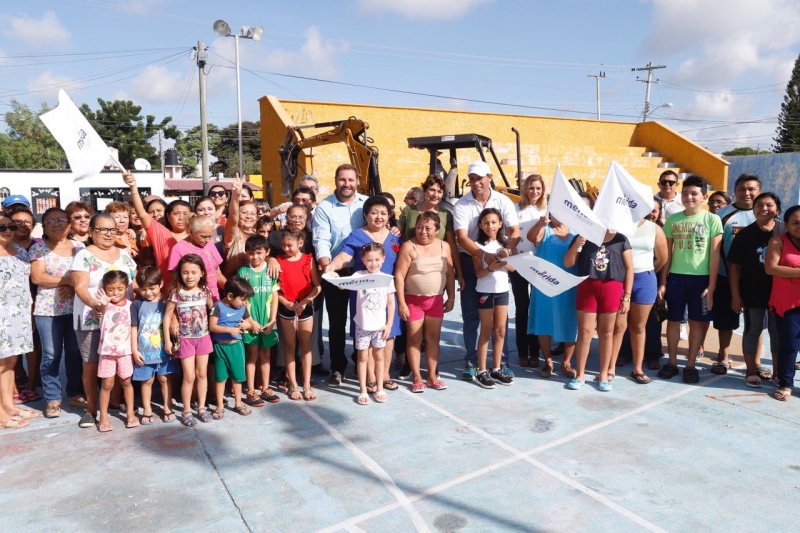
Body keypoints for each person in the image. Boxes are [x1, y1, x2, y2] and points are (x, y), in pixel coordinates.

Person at [326, 195, 402, 390]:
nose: (379, 217)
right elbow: (343, 256)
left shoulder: (395, 237)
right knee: (367, 336)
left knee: (389, 333)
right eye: (374, 213)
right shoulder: (357, 235)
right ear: (366, 215)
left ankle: (384, 376)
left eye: (383, 213)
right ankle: (369, 378)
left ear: (389, 215)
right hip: (364, 296)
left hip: (388, 294)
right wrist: (332, 267)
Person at [453, 161, 520, 380]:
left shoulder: (504, 201)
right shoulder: (462, 204)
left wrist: (506, 251)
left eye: (480, 177)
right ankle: (472, 363)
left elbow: (514, 230)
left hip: (496, 261)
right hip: (472, 261)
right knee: (472, 315)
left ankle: (501, 363)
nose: (476, 182)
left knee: (500, 323)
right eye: (472, 178)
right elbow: (462, 238)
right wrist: (484, 256)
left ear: (489, 177)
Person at [71, 213, 137, 429]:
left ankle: (116, 402)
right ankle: (91, 409)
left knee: (120, 363)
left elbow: (134, 286)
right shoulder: (83, 256)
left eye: (112, 229)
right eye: (102, 229)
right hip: (92, 318)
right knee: (91, 364)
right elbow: (80, 287)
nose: (108, 234)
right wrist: (97, 307)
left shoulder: (125, 255)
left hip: (121, 323)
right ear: (91, 232)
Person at [658, 175, 723, 384]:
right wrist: (663, 281)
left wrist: (711, 286)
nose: (689, 197)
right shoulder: (673, 220)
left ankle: (691, 364)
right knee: (674, 321)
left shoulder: (713, 220)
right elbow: (667, 255)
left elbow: (715, 256)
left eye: (694, 193)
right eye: (685, 193)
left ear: (704, 197)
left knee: (696, 323)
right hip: (676, 278)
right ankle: (672, 362)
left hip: (701, 280)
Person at [314, 164, 367, 386]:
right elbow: (321, 240)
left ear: (358, 181)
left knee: (363, 321)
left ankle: (362, 361)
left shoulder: (366, 204)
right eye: (342, 180)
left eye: (351, 180)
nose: (347, 184)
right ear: (336, 180)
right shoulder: (324, 207)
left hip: (362, 271)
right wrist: (328, 269)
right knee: (337, 323)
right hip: (334, 272)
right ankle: (338, 367)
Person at [30, 208, 85, 418]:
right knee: (51, 355)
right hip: (47, 310)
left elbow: (85, 275)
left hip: (76, 308)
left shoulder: (80, 247)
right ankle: (53, 398)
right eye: (50, 221)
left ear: (69, 224)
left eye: (61, 220)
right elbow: (38, 277)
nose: (56, 224)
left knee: (74, 353)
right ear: (43, 227)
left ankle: (74, 392)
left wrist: (74, 284)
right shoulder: (39, 249)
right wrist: (68, 280)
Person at [564, 227, 634, 391]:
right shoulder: (583, 235)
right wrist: (576, 246)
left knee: (607, 332)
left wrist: (627, 296)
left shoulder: (621, 239)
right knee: (585, 332)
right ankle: (580, 374)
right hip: (587, 286)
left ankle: (603, 375)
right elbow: (567, 262)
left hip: (612, 287)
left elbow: (629, 268)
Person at [395, 212, 456, 392]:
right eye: (420, 227)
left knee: (433, 339)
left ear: (437, 230)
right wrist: (401, 303)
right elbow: (399, 276)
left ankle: (431, 375)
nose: (423, 231)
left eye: (428, 228)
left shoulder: (445, 246)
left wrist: (451, 297)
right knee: (414, 339)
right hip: (413, 301)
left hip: (436, 301)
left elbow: (450, 274)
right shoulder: (408, 246)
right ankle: (416, 376)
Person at [728, 192, 785, 387]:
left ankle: (778, 373)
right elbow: (734, 266)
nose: (763, 208)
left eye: (769, 205)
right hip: (753, 292)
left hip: (780, 293)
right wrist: (736, 295)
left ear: (777, 209)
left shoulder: (785, 231)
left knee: (778, 333)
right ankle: (751, 371)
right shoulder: (745, 234)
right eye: (759, 205)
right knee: (753, 330)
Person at [610, 208, 668, 383]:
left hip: (644, 280)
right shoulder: (616, 227)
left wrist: (646, 274)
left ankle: (637, 369)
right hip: (619, 280)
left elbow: (662, 258)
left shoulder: (654, 228)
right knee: (619, 326)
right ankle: (610, 367)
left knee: (639, 327)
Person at [712, 174, 761, 374]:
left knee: (756, 322)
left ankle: (756, 362)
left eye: (751, 189)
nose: (746, 193)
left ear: (759, 191)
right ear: (734, 191)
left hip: (757, 280)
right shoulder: (722, 214)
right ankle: (723, 357)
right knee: (725, 321)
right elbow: (715, 249)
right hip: (725, 276)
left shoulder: (766, 214)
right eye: (742, 189)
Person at [336, 243, 395, 404]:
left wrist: (389, 324)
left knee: (379, 357)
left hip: (380, 327)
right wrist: (335, 278)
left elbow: (391, 303)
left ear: (383, 259)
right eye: (369, 260)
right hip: (362, 326)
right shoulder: (359, 275)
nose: (373, 263)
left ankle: (379, 387)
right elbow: (343, 285)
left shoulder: (386, 279)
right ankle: (362, 390)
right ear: (363, 260)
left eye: (377, 259)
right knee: (362, 357)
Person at [526, 213, 581, 378]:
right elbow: (530, 237)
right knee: (544, 321)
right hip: (545, 284)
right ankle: (548, 361)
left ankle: (566, 362)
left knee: (571, 322)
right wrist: (539, 223)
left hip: (570, 284)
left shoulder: (576, 231)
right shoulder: (544, 230)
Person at [164, 254, 214, 427]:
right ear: (180, 273)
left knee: (202, 374)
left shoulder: (205, 290)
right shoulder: (177, 293)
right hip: (185, 340)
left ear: (201, 273)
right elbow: (167, 316)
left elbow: (212, 309)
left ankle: (201, 407)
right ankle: (186, 410)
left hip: (203, 337)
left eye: (194, 272)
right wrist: (167, 340)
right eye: (185, 272)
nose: (189, 276)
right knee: (189, 376)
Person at [0, 212, 39, 429]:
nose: (7, 231)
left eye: (11, 227)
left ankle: (8, 405)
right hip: (1, 315)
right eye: (2, 228)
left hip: (19, 313)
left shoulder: (19, 250)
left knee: (11, 362)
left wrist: (30, 311)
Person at [124, 170, 191, 289]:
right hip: (166, 291)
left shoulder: (197, 235)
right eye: (176, 213)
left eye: (185, 213)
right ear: (168, 216)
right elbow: (141, 213)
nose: (181, 217)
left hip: (193, 295)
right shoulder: (160, 232)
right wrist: (133, 187)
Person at [472, 208, 516, 389]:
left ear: (500, 224)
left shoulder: (505, 246)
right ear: (481, 225)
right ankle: (482, 371)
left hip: (502, 291)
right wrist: (491, 267)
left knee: (500, 331)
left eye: (494, 222)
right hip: (485, 292)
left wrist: (506, 260)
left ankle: (496, 368)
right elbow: (479, 273)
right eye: (486, 223)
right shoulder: (476, 246)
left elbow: (513, 269)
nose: (490, 226)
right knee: (486, 330)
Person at [277, 231, 321, 401]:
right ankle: (293, 384)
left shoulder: (308, 260)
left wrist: (306, 301)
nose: (286, 249)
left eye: (290, 245)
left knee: (306, 346)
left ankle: (306, 384)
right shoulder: (278, 261)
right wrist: (285, 302)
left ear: (300, 243)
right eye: (283, 245)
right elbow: (275, 289)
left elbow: (317, 287)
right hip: (287, 308)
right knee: (289, 346)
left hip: (305, 308)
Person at [238, 235, 281, 407]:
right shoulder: (243, 272)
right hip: (251, 322)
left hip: (267, 322)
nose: (255, 257)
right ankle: (250, 391)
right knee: (252, 356)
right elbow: (241, 300)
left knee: (266, 355)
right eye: (251, 253)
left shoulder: (271, 271)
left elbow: (275, 296)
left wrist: (272, 320)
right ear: (246, 253)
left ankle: (265, 388)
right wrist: (249, 321)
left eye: (258, 253)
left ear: (267, 252)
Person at [131, 266, 178, 424]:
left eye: (152, 288)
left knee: (164, 379)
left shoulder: (167, 303)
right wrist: (134, 350)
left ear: (161, 284)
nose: (148, 293)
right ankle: (147, 409)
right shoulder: (137, 305)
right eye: (143, 289)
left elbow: (173, 321)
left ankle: (167, 407)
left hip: (163, 351)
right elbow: (133, 327)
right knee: (147, 381)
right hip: (144, 353)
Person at [209, 276, 262, 418]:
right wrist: (229, 330)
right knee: (220, 378)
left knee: (237, 378)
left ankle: (238, 403)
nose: (244, 302)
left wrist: (249, 325)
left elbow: (251, 322)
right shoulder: (218, 306)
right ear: (230, 296)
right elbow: (212, 326)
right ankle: (220, 406)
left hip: (237, 348)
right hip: (220, 348)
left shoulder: (243, 308)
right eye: (242, 299)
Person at [765, 205, 800, 402]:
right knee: (789, 345)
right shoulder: (778, 241)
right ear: (786, 225)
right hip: (787, 304)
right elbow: (771, 268)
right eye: (795, 223)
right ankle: (786, 384)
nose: (799, 226)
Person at [95, 270, 138, 432]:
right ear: (105, 289)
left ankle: (130, 413)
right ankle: (103, 417)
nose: (115, 293)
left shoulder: (131, 305)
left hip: (126, 351)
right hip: (107, 352)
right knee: (107, 384)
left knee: (127, 382)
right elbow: (101, 310)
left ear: (126, 288)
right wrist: (103, 303)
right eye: (111, 289)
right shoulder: (103, 306)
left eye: (120, 289)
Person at [512, 174, 546, 367]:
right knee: (522, 307)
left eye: (538, 189)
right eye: (531, 188)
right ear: (525, 189)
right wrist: (515, 257)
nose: (534, 192)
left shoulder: (546, 210)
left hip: (539, 265)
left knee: (536, 308)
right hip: (519, 263)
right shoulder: (515, 209)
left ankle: (535, 350)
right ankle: (522, 350)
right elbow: (509, 234)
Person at [168, 215, 225, 300]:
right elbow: (176, 281)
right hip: (193, 301)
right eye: (203, 236)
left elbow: (218, 274)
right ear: (191, 232)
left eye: (210, 236)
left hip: (214, 298)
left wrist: (234, 290)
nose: (207, 240)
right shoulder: (178, 249)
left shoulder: (209, 244)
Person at [223, 177, 259, 277]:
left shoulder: (259, 234)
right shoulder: (233, 233)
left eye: (253, 214)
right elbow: (233, 218)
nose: (249, 217)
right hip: (235, 286)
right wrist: (235, 195)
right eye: (244, 213)